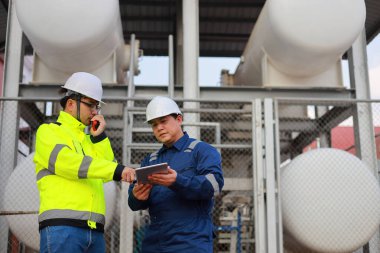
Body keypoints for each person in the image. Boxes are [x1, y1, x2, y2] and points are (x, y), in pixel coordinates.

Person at [33, 72, 135, 253]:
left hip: (94, 231)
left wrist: (100, 137)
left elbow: (106, 171)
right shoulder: (49, 132)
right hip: (62, 228)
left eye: (97, 106)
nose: (95, 112)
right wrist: (117, 170)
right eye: (91, 105)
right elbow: (69, 163)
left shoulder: (89, 140)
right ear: (71, 104)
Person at [128, 96, 224, 253]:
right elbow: (133, 204)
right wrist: (136, 196)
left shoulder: (202, 150)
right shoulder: (150, 160)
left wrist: (177, 181)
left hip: (191, 243)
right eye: (154, 124)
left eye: (163, 121)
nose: (159, 127)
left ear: (179, 119)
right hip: (155, 244)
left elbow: (214, 185)